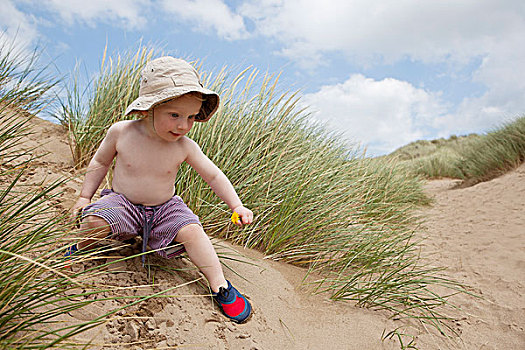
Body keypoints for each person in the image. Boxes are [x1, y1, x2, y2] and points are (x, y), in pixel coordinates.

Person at [66, 56, 253, 323]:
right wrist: (84, 196)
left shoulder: (184, 146)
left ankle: (220, 285)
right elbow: (100, 162)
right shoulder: (122, 132)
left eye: (191, 117)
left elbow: (213, 175)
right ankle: (76, 248)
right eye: (174, 115)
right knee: (95, 220)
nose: (183, 125)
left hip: (165, 208)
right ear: (147, 109)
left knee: (194, 232)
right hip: (123, 203)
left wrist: (237, 205)